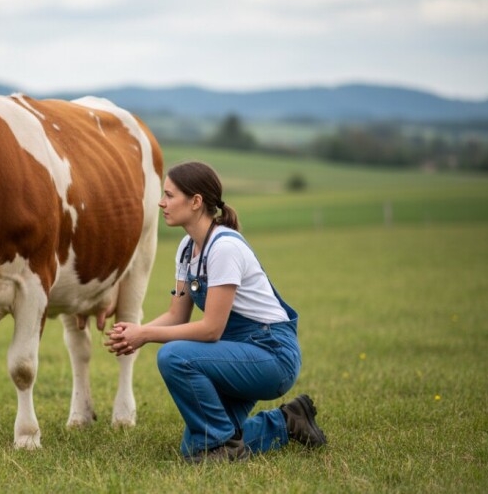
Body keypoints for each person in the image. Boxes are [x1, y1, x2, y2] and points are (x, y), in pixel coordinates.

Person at [106, 161, 326, 463]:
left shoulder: (224, 247)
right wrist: (133, 331)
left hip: (271, 354)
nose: (161, 202)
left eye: (170, 195)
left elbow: (211, 329)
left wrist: (145, 335)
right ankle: (287, 422)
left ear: (196, 202)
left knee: (174, 356)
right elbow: (176, 316)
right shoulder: (187, 247)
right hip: (237, 353)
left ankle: (225, 446)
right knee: (196, 448)